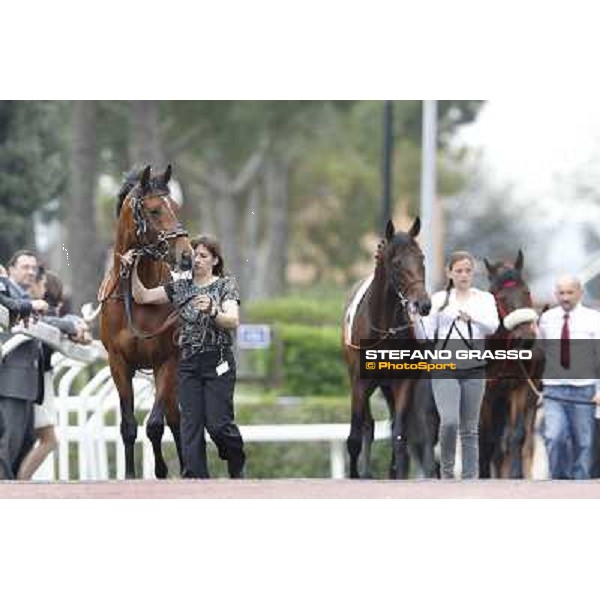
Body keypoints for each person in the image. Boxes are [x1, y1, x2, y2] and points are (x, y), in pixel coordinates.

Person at [122, 234, 246, 479]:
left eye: (203, 256)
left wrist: (213, 311)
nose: (197, 260)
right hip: (188, 363)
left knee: (218, 426)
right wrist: (132, 268)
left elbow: (233, 320)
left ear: (215, 260)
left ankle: (235, 458)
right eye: (195, 255)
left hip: (218, 361)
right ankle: (196, 480)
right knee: (190, 426)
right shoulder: (181, 286)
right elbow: (142, 296)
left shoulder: (225, 285)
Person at [418, 251, 499, 479]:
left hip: (474, 367)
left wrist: (472, 318)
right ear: (449, 273)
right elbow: (424, 335)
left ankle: (470, 477)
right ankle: (446, 473)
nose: (464, 275)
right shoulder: (438, 299)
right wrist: (417, 319)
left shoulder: (484, 299)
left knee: (470, 428)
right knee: (450, 421)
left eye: (468, 270)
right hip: (444, 367)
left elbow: (493, 326)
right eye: (459, 271)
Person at [16, 269, 90, 480]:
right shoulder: (39, 313)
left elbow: (64, 319)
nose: (32, 283)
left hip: (40, 379)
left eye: (37, 281)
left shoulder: (48, 313)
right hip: (36, 380)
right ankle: (20, 481)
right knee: (47, 439)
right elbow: (60, 321)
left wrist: (76, 324)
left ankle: (19, 481)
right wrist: (75, 324)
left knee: (43, 438)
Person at [537, 275, 600, 479]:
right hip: (554, 390)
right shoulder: (546, 319)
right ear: (556, 294)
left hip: (584, 391)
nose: (565, 298)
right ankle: (558, 482)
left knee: (584, 443)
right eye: (561, 293)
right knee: (554, 437)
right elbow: (540, 351)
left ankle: (579, 488)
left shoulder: (594, 319)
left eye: (570, 293)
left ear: (580, 293)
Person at [0, 250, 48, 479]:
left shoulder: (26, 299)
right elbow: (12, 307)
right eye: (25, 267)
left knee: (25, 441)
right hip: (10, 380)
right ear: (10, 270)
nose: (31, 272)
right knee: (9, 444)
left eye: (33, 268)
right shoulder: (8, 290)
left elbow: (45, 321)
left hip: (27, 383)